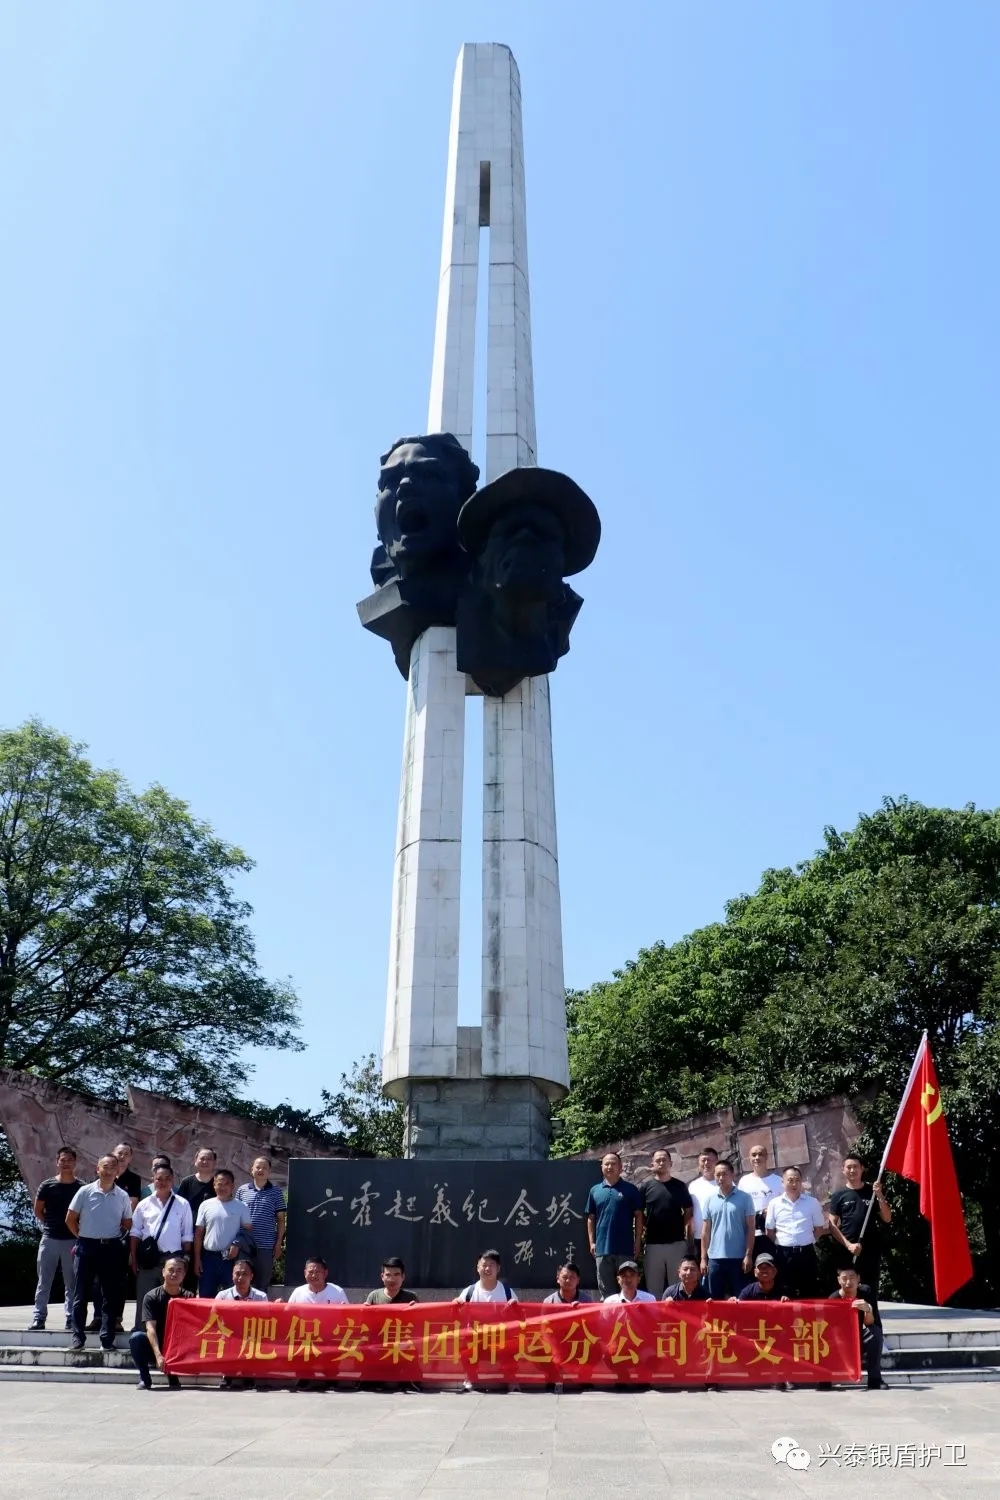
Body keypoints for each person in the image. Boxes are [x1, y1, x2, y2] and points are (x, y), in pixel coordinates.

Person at [66, 1154, 132, 1352]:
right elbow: (70, 1218)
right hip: (86, 1247)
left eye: (114, 1166)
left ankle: (107, 1339)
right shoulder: (85, 1191)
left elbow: (127, 1222)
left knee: (108, 1296)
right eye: (106, 1165)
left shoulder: (122, 1195)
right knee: (80, 1294)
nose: (110, 1169)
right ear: (97, 1169)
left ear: (118, 1171)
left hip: (110, 1248)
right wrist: (81, 1236)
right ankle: (77, 1338)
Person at [129, 1166, 194, 1328]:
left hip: (173, 1260)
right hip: (149, 1260)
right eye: (159, 1178)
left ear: (172, 1180)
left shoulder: (182, 1204)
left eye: (167, 1178)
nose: (163, 1182)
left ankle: (172, 1335)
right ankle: (141, 1335)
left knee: (172, 1301)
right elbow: (135, 1233)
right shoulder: (144, 1204)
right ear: (153, 1180)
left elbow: (187, 1234)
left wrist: (185, 1259)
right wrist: (133, 1258)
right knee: (145, 1298)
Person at [30, 1146, 83, 1332]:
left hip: (72, 1240)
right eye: (63, 1159)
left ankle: (70, 1318)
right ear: (57, 1162)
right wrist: (48, 1224)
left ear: (75, 1163)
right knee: (44, 1280)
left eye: (70, 1160)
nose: (66, 1163)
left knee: (71, 1282)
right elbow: (38, 1210)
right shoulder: (47, 1185)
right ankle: (39, 1317)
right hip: (50, 1238)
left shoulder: (81, 1187)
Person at [827, 1155, 891, 1295]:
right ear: (843, 1170)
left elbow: (887, 1218)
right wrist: (848, 1245)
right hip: (847, 1251)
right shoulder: (839, 1195)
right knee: (848, 1291)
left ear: (862, 1169)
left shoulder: (872, 1192)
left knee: (870, 1290)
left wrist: (879, 1194)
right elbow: (832, 1225)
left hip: (870, 1251)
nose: (852, 1170)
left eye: (855, 1166)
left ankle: (871, 1316)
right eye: (848, 1167)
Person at [128, 1255, 193, 1390]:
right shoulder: (151, 1297)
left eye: (179, 1270)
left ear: (184, 1274)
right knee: (136, 1338)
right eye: (171, 1270)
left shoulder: (189, 1297)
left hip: (177, 1346)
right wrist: (158, 1355)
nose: (174, 1274)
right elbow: (150, 1328)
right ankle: (145, 1379)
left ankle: (173, 1375)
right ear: (163, 1272)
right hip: (156, 1344)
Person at [585, 1152, 644, 1299]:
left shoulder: (630, 1189)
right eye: (606, 1164)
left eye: (613, 1163)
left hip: (625, 1248)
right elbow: (591, 1217)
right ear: (602, 1167)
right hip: (602, 1249)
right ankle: (610, 1319)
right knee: (606, 1291)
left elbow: (639, 1216)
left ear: (620, 1167)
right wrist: (592, 1242)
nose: (609, 1166)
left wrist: (637, 1242)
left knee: (628, 1287)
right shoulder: (595, 1190)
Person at [765, 1167, 826, 1298]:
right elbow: (770, 1231)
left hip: (806, 1253)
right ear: (783, 1182)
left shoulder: (812, 1202)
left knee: (809, 1292)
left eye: (797, 1180)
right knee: (784, 1292)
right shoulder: (774, 1204)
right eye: (790, 1180)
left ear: (801, 1182)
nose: (794, 1184)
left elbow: (819, 1229)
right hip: (783, 1254)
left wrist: (808, 1240)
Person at [640, 1148, 694, 1298]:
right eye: (658, 1160)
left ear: (670, 1163)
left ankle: (677, 1319)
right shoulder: (646, 1187)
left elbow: (688, 1210)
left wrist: (680, 1226)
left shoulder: (680, 1186)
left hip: (676, 1243)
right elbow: (638, 1213)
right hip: (653, 1244)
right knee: (653, 1289)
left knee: (677, 1288)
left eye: (664, 1160)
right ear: (652, 1163)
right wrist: (646, 1225)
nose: (661, 1163)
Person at [193, 1169, 253, 1297]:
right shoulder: (205, 1205)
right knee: (205, 1296)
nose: (222, 1187)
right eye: (219, 1183)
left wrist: (237, 1243)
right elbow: (198, 1234)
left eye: (226, 1184)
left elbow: (248, 1231)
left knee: (231, 1297)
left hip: (230, 1259)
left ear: (232, 1186)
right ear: (214, 1185)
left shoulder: (241, 1206)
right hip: (208, 1258)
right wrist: (197, 1259)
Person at [700, 1158, 754, 1300]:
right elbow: (705, 1232)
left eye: (724, 1174)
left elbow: (750, 1229)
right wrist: (703, 1258)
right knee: (714, 1299)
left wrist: (748, 1255)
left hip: (738, 1258)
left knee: (740, 1299)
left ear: (732, 1175)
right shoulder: (710, 1200)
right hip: (715, 1259)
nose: (721, 1178)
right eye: (717, 1175)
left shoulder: (745, 1198)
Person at [829, 1265, 885, 1390]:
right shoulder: (833, 1298)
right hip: (839, 1343)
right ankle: (824, 1379)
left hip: (858, 1339)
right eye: (844, 1278)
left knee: (875, 1332)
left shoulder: (866, 1292)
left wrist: (868, 1310)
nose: (848, 1282)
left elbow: (870, 1323)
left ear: (858, 1278)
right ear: (839, 1280)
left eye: (852, 1277)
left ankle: (875, 1379)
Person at [235, 1156, 286, 1290]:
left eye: (264, 1168)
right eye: (258, 1167)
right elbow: (234, 1217)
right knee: (242, 1281)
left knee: (262, 1283)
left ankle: (260, 1311)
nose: (261, 1170)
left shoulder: (276, 1192)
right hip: (244, 1245)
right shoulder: (242, 1190)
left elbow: (281, 1220)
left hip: (266, 1245)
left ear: (269, 1172)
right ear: (252, 1170)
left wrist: (278, 1244)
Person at [737, 1145, 783, 1263]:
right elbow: (740, 1208)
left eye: (760, 1154)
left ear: (767, 1157)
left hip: (775, 1234)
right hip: (752, 1236)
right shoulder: (744, 1182)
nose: (757, 1158)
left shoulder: (778, 1181)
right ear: (749, 1158)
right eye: (753, 1155)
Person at [687, 1147, 720, 1248]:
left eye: (709, 1160)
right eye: (703, 1160)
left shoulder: (726, 1183)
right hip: (699, 1238)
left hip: (721, 1237)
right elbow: (689, 1213)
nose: (706, 1163)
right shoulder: (693, 1186)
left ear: (717, 1162)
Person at [177, 1147, 218, 1218]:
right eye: (202, 1159)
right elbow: (178, 1206)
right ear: (195, 1161)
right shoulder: (187, 1182)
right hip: (189, 1226)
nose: (205, 1162)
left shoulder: (219, 1183)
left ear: (214, 1163)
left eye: (209, 1159)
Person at [112, 1144, 143, 1208]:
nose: (122, 1156)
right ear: (113, 1155)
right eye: (120, 1153)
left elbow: (132, 1204)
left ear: (130, 1158)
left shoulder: (134, 1179)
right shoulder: (105, 1175)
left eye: (126, 1154)